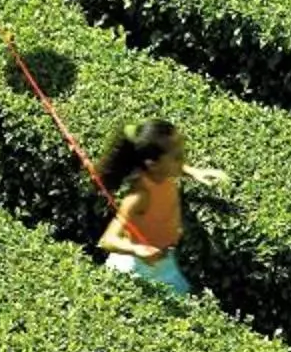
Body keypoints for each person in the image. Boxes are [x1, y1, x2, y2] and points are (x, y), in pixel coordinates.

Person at [93, 119, 222, 297]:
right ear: (153, 164)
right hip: (138, 267)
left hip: (165, 259)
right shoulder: (139, 196)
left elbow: (176, 167)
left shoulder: (162, 174)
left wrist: (195, 172)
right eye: (177, 156)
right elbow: (107, 240)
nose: (183, 160)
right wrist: (136, 249)